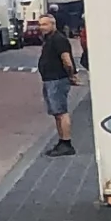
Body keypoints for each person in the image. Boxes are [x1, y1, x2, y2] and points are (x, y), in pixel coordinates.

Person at [38, 11, 84, 154]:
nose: (42, 27)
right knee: (57, 113)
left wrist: (71, 75)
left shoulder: (58, 39)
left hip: (57, 80)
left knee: (61, 112)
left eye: (45, 24)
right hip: (51, 80)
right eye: (40, 25)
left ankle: (66, 143)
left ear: (53, 24)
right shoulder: (49, 39)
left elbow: (67, 60)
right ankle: (62, 140)